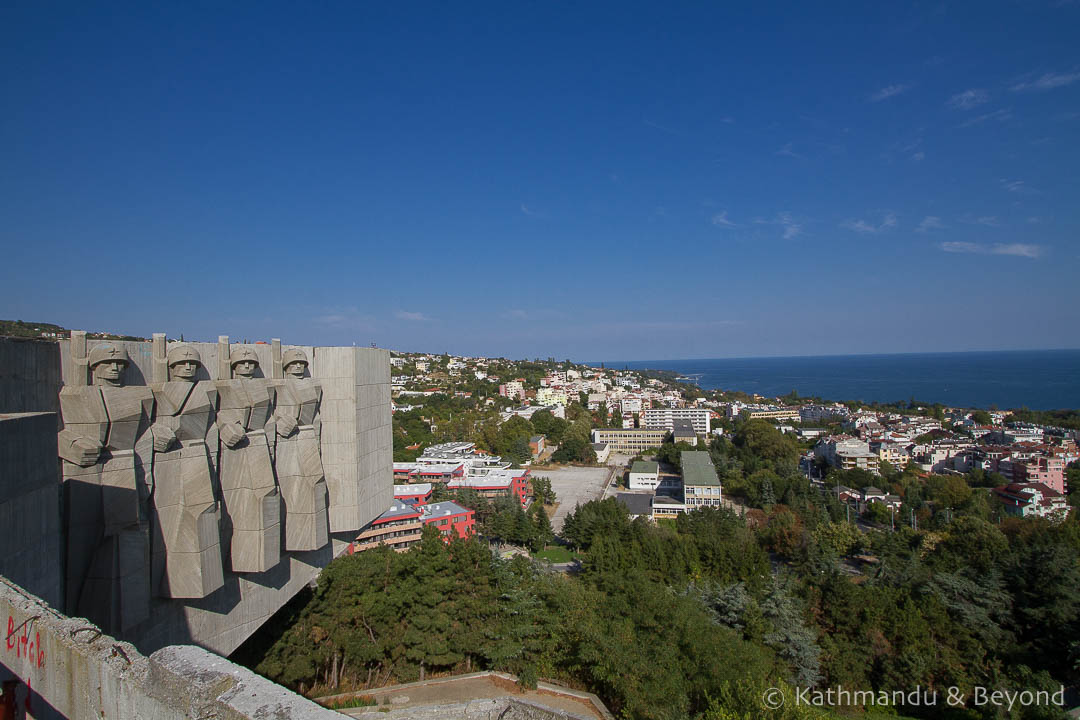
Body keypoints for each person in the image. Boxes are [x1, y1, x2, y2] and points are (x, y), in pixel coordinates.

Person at [148, 344, 225, 599]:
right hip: (167, 463)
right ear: (171, 367)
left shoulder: (206, 392)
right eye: (182, 363)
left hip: (198, 458)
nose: (189, 367)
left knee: (202, 517)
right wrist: (154, 432)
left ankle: (195, 581)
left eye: (192, 363)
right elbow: (143, 427)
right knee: (168, 527)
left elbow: (214, 426)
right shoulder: (157, 392)